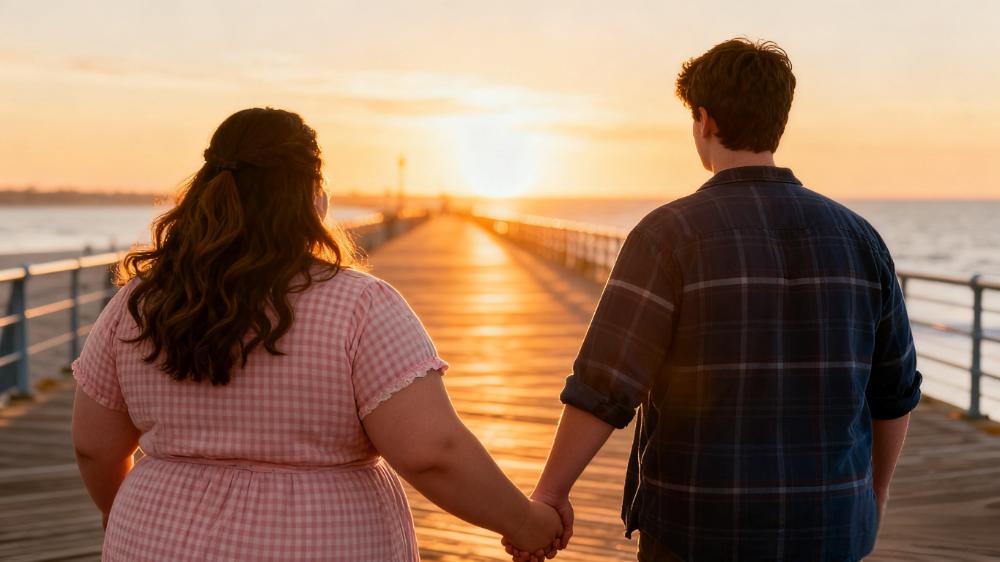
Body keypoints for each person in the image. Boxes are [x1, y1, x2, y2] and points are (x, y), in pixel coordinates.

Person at [71, 107, 562, 561]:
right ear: (310, 195)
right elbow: (431, 452)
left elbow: (94, 446)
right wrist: (525, 522)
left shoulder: (140, 301)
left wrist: (137, 519)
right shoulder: (358, 305)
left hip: (153, 541)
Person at [508, 38, 921, 562]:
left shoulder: (668, 236)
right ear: (778, 120)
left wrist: (549, 494)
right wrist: (871, 497)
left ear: (703, 120)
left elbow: (604, 385)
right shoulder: (862, 240)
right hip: (832, 531)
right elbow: (895, 393)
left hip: (699, 531)